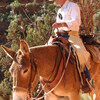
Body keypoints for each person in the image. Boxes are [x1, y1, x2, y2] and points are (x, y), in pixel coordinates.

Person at [52, 0, 92, 91]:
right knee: (46, 50)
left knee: (81, 52)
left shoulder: (73, 6)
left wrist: (62, 24)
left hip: (71, 35)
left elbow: (76, 21)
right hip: (59, 35)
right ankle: (45, 82)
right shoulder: (60, 10)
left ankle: (86, 80)